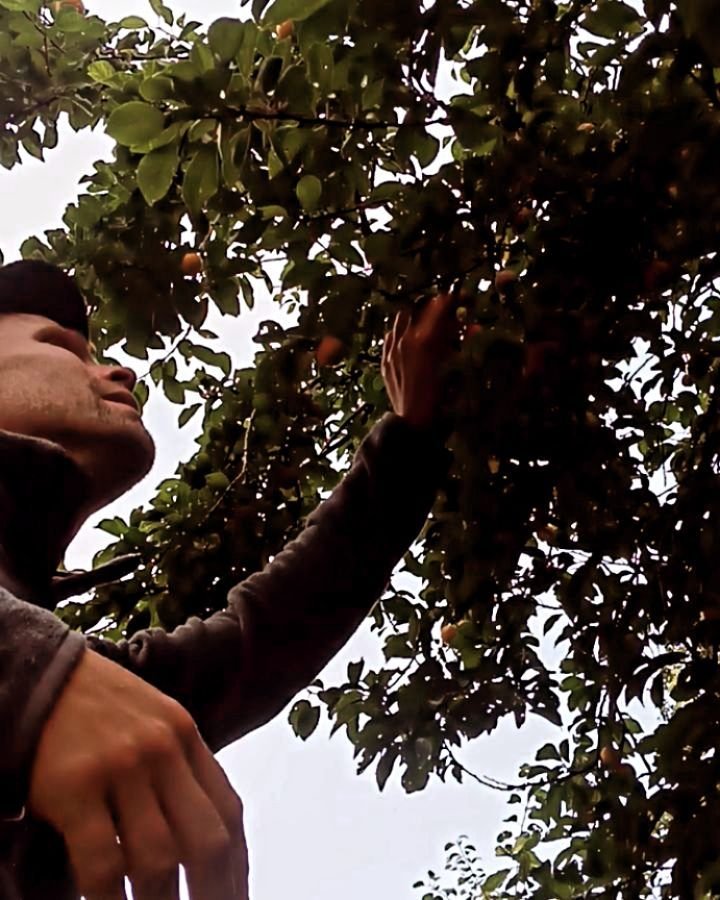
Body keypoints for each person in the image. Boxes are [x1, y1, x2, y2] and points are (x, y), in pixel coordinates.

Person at [0, 259, 459, 900]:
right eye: (59, 347)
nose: (120, 370)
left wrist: (409, 437)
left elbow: (266, 635)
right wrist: (26, 673)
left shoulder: (86, 689)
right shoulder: (50, 675)